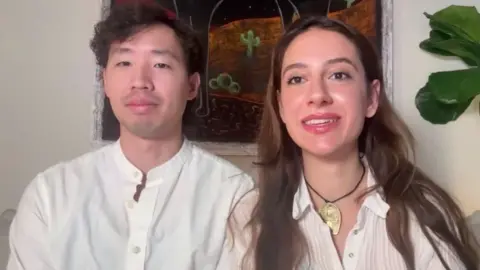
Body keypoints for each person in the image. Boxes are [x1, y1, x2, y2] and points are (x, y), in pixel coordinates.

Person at [218, 16, 479, 270]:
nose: (318, 95)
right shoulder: (248, 219)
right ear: (281, 106)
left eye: (339, 75)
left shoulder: (424, 212)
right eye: (297, 79)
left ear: (371, 98)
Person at [7, 3, 254, 270]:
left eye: (161, 64)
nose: (140, 81)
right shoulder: (50, 195)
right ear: (105, 82)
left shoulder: (234, 195)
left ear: (192, 86)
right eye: (124, 63)